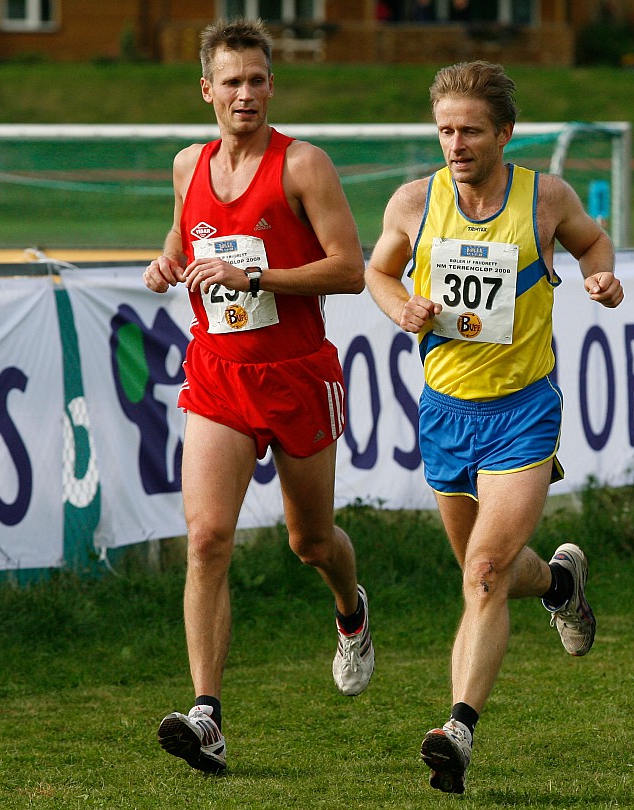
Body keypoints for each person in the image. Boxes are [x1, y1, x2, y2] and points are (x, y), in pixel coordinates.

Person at [364, 60, 623, 794]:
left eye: (471, 131)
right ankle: (560, 584)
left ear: (505, 133)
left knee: (482, 572)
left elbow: (593, 243)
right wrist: (402, 307)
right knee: (490, 575)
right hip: (446, 412)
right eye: (445, 130)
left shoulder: (546, 198)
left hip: (522, 411)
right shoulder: (414, 203)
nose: (456, 144)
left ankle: (457, 730)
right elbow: (377, 272)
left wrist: (602, 277)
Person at [142, 18, 374, 774]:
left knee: (312, 543)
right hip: (218, 374)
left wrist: (256, 276)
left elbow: (350, 270)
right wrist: (165, 263)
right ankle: (206, 715)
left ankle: (350, 611)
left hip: (299, 375)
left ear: (272, 86)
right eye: (230, 81)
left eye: (256, 80)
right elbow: (185, 240)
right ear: (206, 90)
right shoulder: (188, 165)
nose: (244, 93)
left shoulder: (303, 165)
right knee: (208, 538)